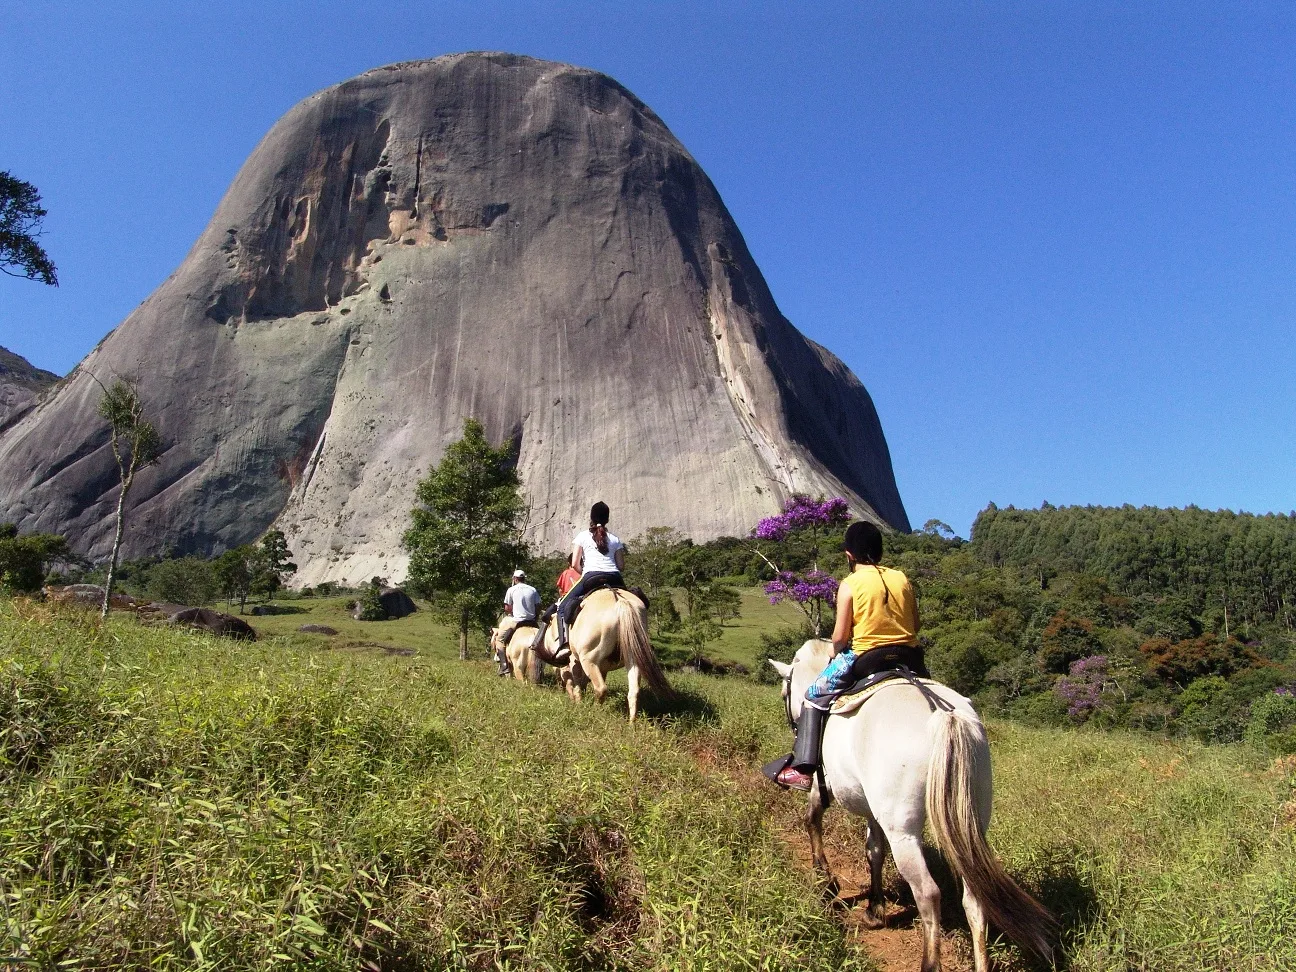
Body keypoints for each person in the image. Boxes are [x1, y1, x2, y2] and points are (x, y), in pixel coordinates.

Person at [775, 520, 928, 792]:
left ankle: (803, 769)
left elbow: (839, 638)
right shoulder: (902, 578)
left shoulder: (850, 584)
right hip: (910, 658)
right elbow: (915, 626)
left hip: (867, 656)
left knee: (813, 696)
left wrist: (836, 654)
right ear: (880, 553)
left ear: (849, 555)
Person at [532, 501, 626, 659]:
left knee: (562, 607)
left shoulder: (582, 536)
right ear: (607, 519)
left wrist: (586, 573)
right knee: (635, 602)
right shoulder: (615, 539)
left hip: (591, 577)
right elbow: (621, 566)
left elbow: (575, 564)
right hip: (615, 577)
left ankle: (563, 644)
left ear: (591, 517)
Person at [496, 569, 539, 676]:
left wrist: (513, 611)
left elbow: (507, 608)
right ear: (524, 578)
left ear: (515, 579)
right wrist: (535, 616)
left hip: (517, 621)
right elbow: (538, 606)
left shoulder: (511, 590)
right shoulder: (533, 590)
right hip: (532, 621)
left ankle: (504, 666)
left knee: (499, 640)